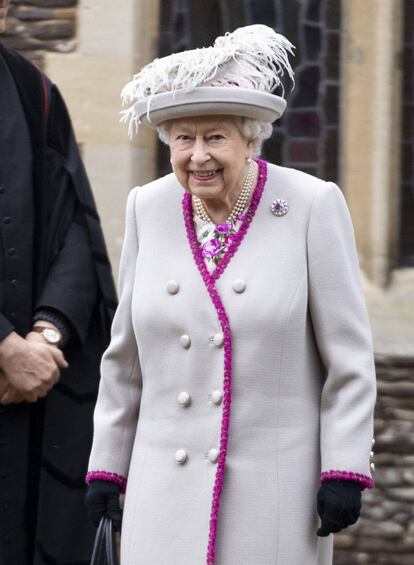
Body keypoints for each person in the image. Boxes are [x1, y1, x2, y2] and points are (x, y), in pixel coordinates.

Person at [85, 24, 376, 565]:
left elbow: (350, 360)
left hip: (272, 495)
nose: (198, 156)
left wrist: (344, 467)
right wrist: (108, 466)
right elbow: (124, 359)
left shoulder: (311, 205)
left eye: (215, 136)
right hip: (161, 490)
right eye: (183, 138)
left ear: (250, 137)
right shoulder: (147, 208)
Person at [0, 1, 117, 564]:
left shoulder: (32, 91)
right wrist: (4, 345)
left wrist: (47, 337)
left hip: (25, 398)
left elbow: (76, 225)